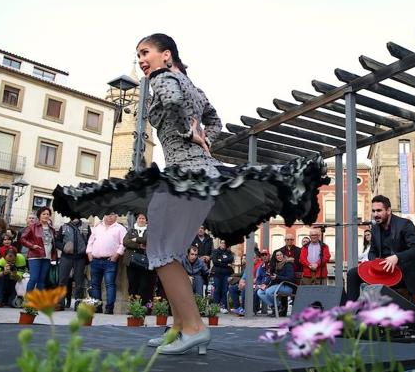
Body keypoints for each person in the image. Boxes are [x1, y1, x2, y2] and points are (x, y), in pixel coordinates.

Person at [52, 33, 328, 356]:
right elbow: (215, 119)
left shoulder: (164, 77)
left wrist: (188, 133)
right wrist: (201, 136)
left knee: (162, 251)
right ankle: (181, 325)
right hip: (199, 173)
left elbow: (171, 102)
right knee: (169, 250)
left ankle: (194, 328)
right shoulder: (193, 87)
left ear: (166, 54)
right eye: (138, 55)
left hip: (185, 175)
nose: (141, 60)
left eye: (145, 52)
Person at [346, 195, 415, 302]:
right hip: (382, 271)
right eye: (373, 211)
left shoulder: (405, 224)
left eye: (379, 210)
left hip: (403, 272)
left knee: (378, 291)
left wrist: (397, 257)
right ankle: (350, 312)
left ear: (388, 210)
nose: (375, 214)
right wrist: (375, 263)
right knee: (352, 274)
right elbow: (372, 252)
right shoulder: (375, 227)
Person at [87, 212, 126, 314]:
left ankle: (109, 308)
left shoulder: (120, 228)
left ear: (116, 216)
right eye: (108, 214)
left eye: (112, 215)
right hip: (95, 260)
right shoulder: (98, 227)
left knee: (110, 284)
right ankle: (97, 307)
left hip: (110, 261)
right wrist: (89, 253)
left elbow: (124, 243)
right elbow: (91, 241)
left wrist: (116, 255)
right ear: (103, 216)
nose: (110, 217)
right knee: (95, 285)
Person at [56, 214, 91, 310]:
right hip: (66, 257)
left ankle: (78, 303)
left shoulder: (86, 227)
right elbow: (57, 241)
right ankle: (60, 303)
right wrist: (63, 247)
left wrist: (86, 253)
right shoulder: (63, 227)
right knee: (62, 280)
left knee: (79, 282)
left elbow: (90, 241)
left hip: (80, 258)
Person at [20, 207, 58, 292]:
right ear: (39, 215)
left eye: (48, 214)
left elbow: (54, 243)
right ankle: (28, 300)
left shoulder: (52, 229)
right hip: (35, 255)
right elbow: (22, 239)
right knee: (34, 278)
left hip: (47, 257)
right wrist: (32, 246)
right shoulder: (32, 227)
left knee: (41, 280)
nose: (46, 216)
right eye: (43, 214)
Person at [123, 213, 156, 307]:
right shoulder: (131, 231)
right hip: (132, 262)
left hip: (145, 262)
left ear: (146, 220)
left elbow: (148, 240)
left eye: (143, 218)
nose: (141, 220)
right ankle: (133, 306)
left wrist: (136, 239)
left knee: (145, 286)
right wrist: (138, 245)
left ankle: (144, 306)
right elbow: (125, 242)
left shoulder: (150, 230)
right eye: (140, 218)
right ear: (136, 220)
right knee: (133, 284)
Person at [257, 251, 296, 316]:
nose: (279, 256)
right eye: (277, 255)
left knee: (268, 292)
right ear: (275, 257)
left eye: (281, 254)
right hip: (278, 286)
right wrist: (265, 284)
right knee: (260, 292)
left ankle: (279, 307)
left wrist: (277, 277)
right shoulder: (275, 265)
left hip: (288, 286)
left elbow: (290, 278)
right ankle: (276, 307)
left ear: (283, 255)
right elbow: (271, 277)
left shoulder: (288, 264)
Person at [211, 240, 234, 312]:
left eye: (225, 243)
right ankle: (215, 306)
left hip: (226, 274)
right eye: (222, 243)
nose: (223, 244)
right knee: (217, 289)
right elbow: (215, 261)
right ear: (220, 244)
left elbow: (230, 259)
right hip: (217, 274)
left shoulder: (229, 252)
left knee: (225, 289)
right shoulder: (215, 251)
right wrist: (226, 264)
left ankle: (224, 306)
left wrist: (220, 260)